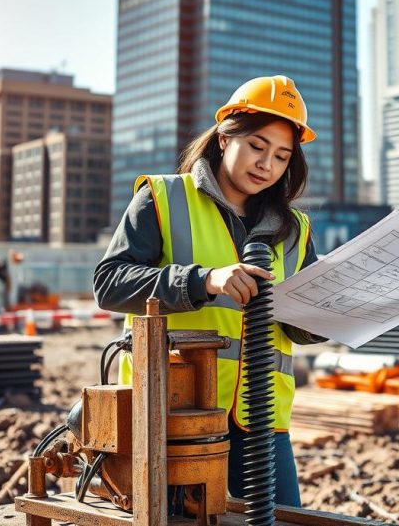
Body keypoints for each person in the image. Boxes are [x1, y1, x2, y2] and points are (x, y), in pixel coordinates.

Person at [94, 75, 325, 507]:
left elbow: (301, 328)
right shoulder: (162, 198)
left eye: (281, 156)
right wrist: (202, 280)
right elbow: (109, 284)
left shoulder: (296, 230)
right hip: (177, 415)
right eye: (257, 146)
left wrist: (333, 316)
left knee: (281, 519)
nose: (267, 165)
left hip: (264, 421)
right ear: (224, 137)